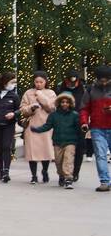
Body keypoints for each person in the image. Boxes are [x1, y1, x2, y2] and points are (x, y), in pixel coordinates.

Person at [30, 93, 82, 189]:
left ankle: (68, 179)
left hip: (71, 141)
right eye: (62, 102)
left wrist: (84, 130)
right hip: (58, 141)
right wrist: (37, 129)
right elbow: (47, 126)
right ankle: (61, 175)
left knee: (68, 160)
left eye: (67, 102)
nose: (65, 104)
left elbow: (79, 128)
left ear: (70, 104)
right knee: (58, 161)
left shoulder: (74, 115)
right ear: (59, 103)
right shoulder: (53, 115)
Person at [19, 72, 57, 184]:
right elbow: (23, 109)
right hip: (32, 125)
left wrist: (40, 95)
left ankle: (45, 171)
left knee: (45, 150)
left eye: (41, 82)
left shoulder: (51, 93)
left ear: (45, 82)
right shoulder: (28, 93)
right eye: (36, 82)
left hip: (46, 125)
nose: (38, 84)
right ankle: (33, 175)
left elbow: (52, 107)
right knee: (32, 152)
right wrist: (31, 107)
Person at [79, 64, 111, 193]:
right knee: (100, 155)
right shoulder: (91, 90)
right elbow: (84, 108)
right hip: (97, 127)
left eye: (106, 79)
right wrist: (84, 122)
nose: (103, 82)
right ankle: (104, 181)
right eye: (101, 79)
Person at [56, 71, 88, 183]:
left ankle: (74, 173)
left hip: (79, 122)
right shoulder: (61, 88)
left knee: (79, 149)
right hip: (63, 122)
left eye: (74, 79)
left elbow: (86, 105)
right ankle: (62, 174)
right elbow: (57, 105)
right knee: (62, 150)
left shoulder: (83, 89)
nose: (72, 82)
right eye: (70, 79)